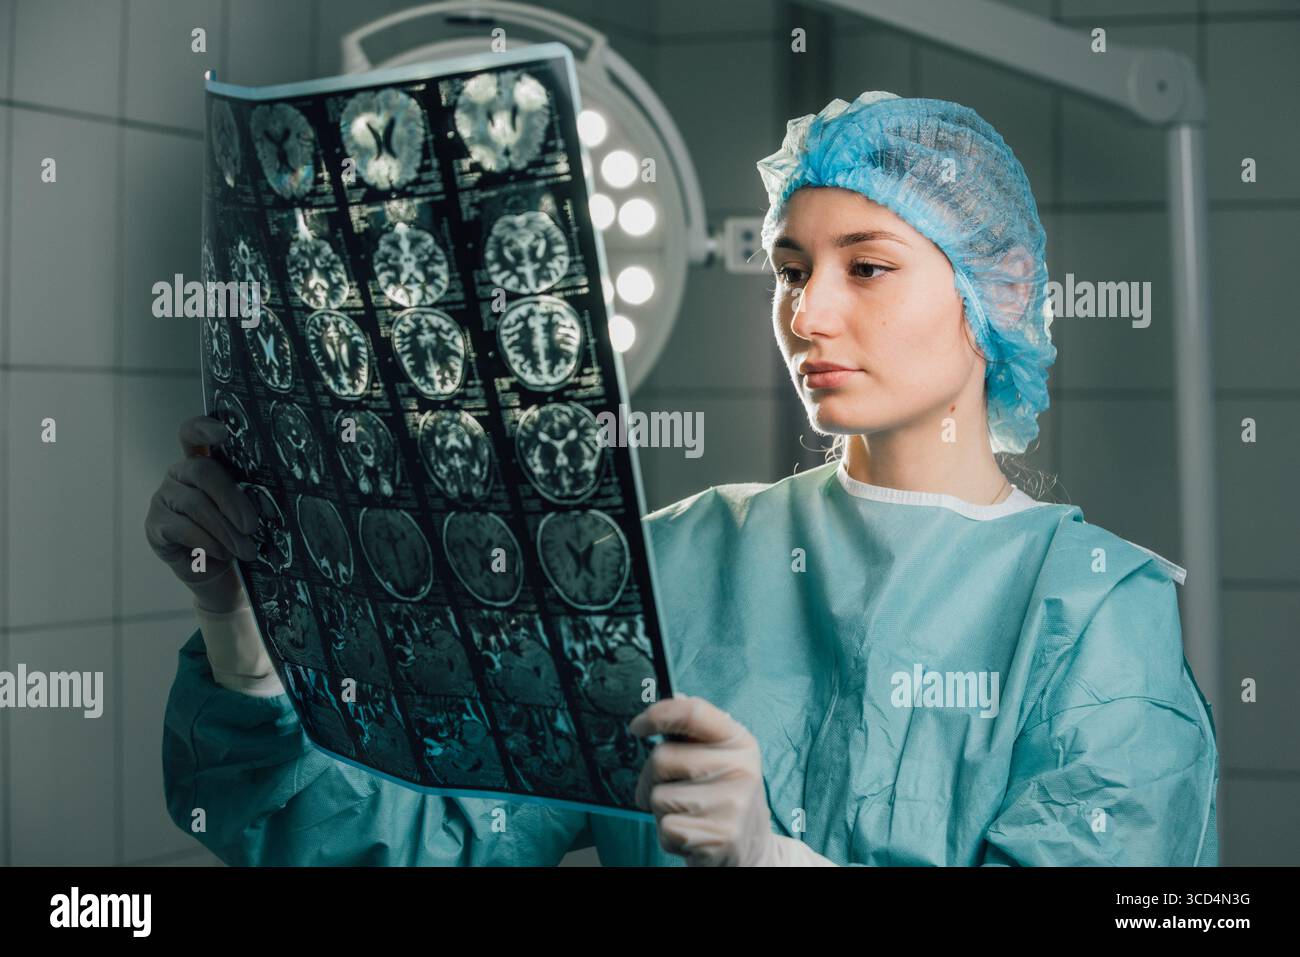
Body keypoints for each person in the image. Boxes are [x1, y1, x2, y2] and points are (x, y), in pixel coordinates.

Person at [149, 91, 1219, 866]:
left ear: (1003, 287)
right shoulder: (671, 561)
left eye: (868, 265)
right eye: (791, 270)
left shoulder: (1087, 611)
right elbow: (417, 839)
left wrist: (770, 861)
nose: (808, 313)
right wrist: (242, 623)